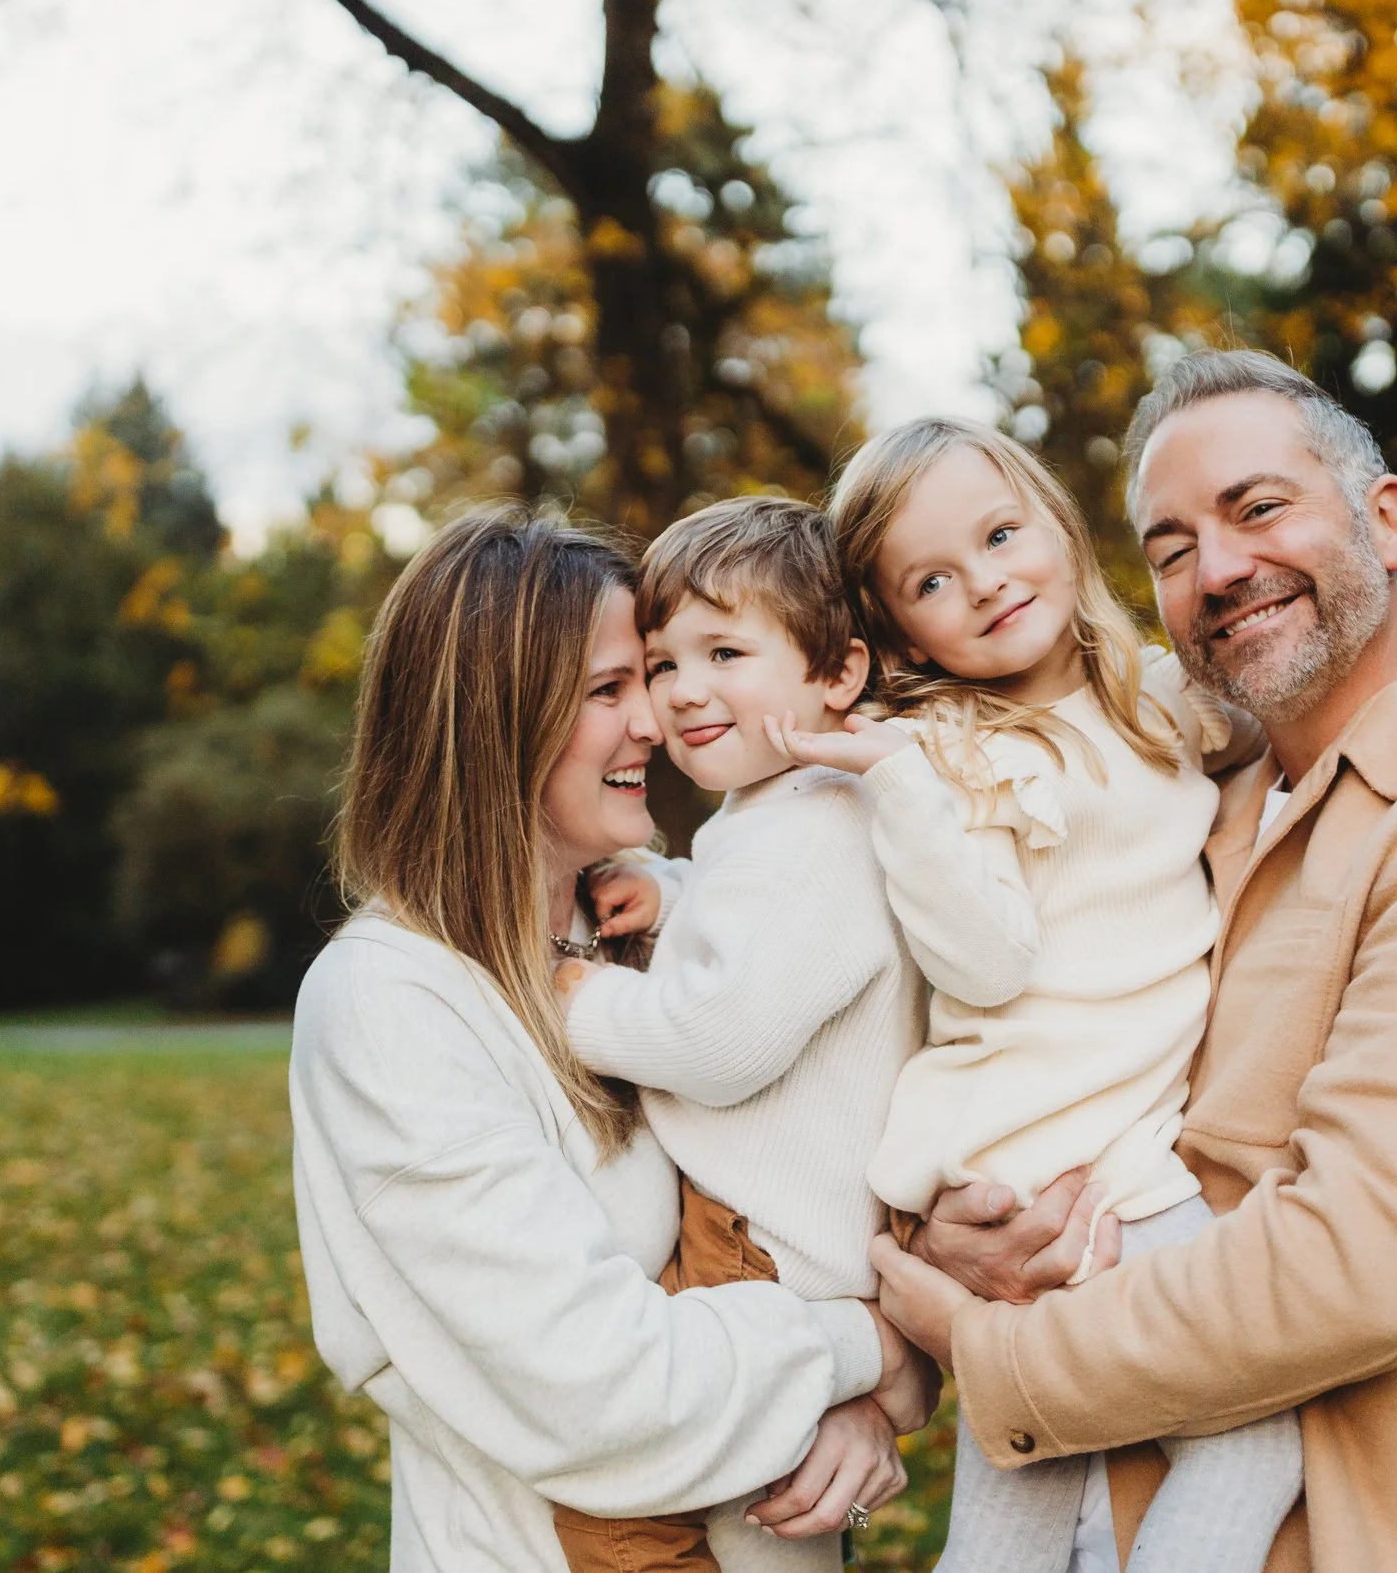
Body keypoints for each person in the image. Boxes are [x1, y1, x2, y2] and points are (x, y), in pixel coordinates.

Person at [868, 350, 1397, 1573]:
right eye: (1169, 548)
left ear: (1384, 522)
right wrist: (951, 1235)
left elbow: (1352, 1261)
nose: (1217, 569)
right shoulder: (1183, 791)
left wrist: (996, 1343)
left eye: (1258, 508)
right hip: (1074, 1511)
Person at [289, 509, 927, 1573]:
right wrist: (876, 1349)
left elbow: (836, 1158)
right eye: (609, 688)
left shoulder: (660, 927)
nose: (657, 717)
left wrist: (862, 1408)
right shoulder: (388, 1002)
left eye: (654, 673)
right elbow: (601, 1390)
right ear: (495, 719)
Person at [778, 417, 1306, 1573]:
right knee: (1255, 1437)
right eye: (930, 579)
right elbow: (984, 962)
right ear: (895, 625)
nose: (983, 581)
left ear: (1057, 527)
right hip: (1056, 1165)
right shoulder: (954, 753)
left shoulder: (1152, 701)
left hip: (1101, 1144)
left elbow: (1294, 720)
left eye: (1000, 533)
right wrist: (904, 788)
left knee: (1027, 1477)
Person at [549, 495, 931, 1573]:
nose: (682, 691)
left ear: (839, 673)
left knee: (647, 1500)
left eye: (726, 649)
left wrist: (583, 999)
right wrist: (670, 890)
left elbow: (722, 1037)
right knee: (754, 1502)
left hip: (762, 1246)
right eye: (662, 662)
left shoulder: (814, 826)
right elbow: (759, 937)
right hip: (771, 1234)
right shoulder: (781, 813)